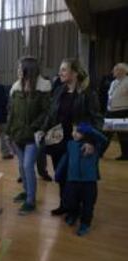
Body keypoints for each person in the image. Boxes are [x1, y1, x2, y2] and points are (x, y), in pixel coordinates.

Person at [42, 58, 103, 216]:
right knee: (61, 175)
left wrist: (89, 140)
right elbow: (51, 114)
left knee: (75, 179)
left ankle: (76, 209)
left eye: (64, 69)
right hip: (58, 141)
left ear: (74, 73)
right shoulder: (59, 90)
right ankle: (65, 205)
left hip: (77, 143)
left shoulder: (88, 93)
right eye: (60, 69)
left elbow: (97, 120)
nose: (60, 72)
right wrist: (43, 130)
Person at [6, 56, 51, 215]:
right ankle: (26, 191)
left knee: (27, 166)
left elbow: (47, 112)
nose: (18, 71)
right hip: (17, 135)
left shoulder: (42, 89)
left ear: (28, 70)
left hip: (33, 136)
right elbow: (11, 112)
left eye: (20, 68)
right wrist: (8, 132)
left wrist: (35, 127)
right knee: (21, 166)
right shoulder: (15, 89)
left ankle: (31, 201)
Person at [55, 123, 107, 236]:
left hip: (89, 182)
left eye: (77, 131)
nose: (74, 133)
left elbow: (104, 139)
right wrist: (58, 172)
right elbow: (65, 159)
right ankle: (73, 215)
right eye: (73, 131)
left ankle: (85, 224)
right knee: (71, 201)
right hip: (72, 180)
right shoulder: (70, 144)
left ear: (85, 133)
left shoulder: (95, 146)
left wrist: (91, 130)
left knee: (88, 205)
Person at [105, 63, 128, 160]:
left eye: (115, 70)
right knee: (106, 134)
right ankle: (99, 152)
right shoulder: (114, 82)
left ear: (122, 71)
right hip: (111, 111)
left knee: (123, 135)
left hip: (122, 111)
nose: (112, 72)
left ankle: (126, 155)